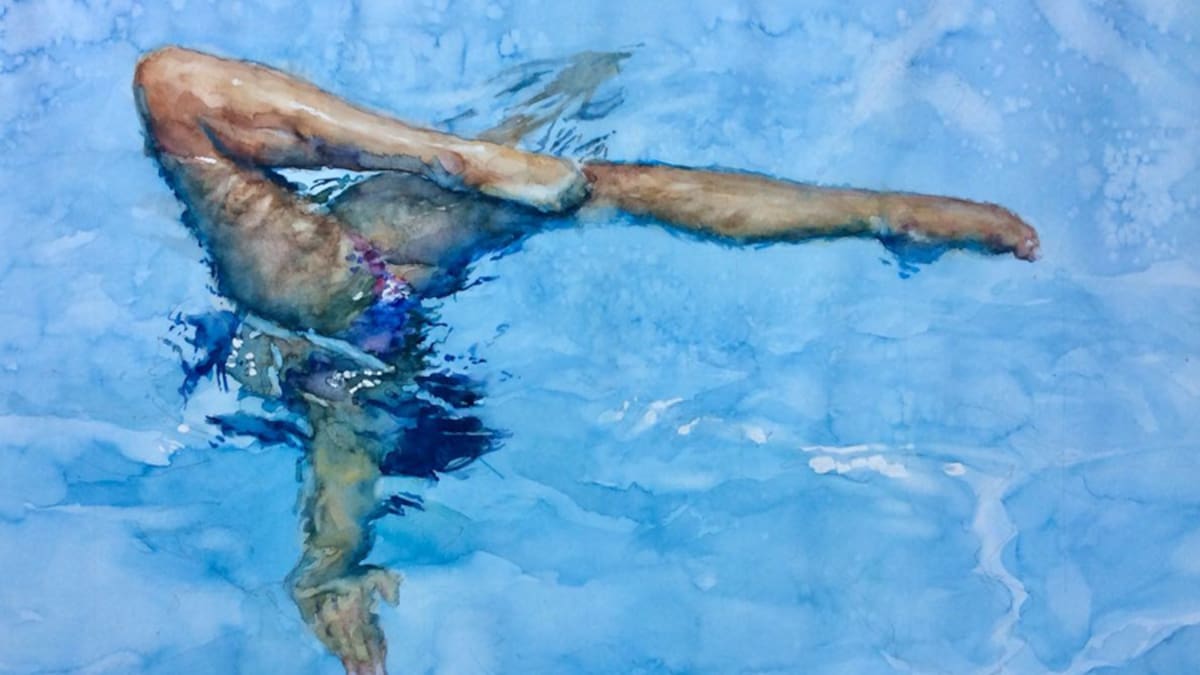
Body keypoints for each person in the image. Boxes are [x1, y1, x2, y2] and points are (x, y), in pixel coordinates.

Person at [133, 46, 1039, 675]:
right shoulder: (337, 366)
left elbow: (338, 495)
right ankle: (472, 150)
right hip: (347, 287)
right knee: (172, 89)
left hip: (358, 292)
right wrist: (329, 573)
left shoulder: (344, 381)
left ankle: (879, 212)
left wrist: (331, 575)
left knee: (606, 185)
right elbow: (338, 486)